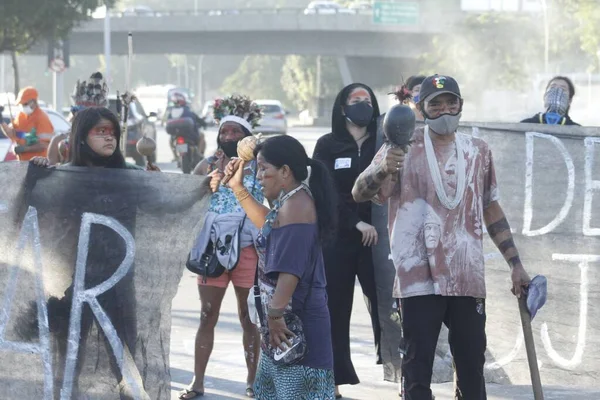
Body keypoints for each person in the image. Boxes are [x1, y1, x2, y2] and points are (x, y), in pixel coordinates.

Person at [352, 74, 531, 400]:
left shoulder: (478, 150)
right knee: (417, 375)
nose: (445, 110)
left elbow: (491, 208)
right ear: (423, 109)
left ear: (461, 106)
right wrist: (382, 169)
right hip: (417, 280)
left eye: (452, 103)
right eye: (436, 104)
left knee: (472, 371)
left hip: (467, 279)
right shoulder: (402, 146)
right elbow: (359, 192)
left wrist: (515, 264)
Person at [222, 134, 338, 399]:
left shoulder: (297, 206)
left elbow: (291, 272)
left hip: (294, 323)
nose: (259, 176)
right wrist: (237, 187)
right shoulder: (289, 202)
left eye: (264, 169)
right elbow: (268, 224)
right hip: (282, 322)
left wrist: (275, 317)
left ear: (285, 171)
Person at [180, 95, 264, 399]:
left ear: (247, 139)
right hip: (211, 251)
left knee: (249, 318)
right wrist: (209, 173)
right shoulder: (209, 164)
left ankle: (254, 383)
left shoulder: (258, 165)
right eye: (224, 132)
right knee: (207, 314)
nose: (228, 137)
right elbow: (189, 191)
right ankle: (197, 382)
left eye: (235, 133)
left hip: (248, 251)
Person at [313, 83, 385, 397]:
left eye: (367, 101)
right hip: (337, 240)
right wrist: (355, 222)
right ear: (343, 107)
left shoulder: (384, 142)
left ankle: (403, 373)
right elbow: (324, 191)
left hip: (379, 240)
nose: (362, 105)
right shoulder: (327, 144)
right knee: (334, 310)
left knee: (387, 308)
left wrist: (371, 223)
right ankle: (334, 382)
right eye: (355, 101)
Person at [0, 86, 54, 161]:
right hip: (22, 164)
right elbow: (11, 133)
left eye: (25, 104)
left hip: (38, 165)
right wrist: (1, 121)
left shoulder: (42, 118)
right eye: (21, 104)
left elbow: (44, 145)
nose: (22, 106)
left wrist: (25, 149)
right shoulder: (20, 116)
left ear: (34, 102)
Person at [167, 92, 207, 162]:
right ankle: (199, 153)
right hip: (191, 136)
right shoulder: (188, 111)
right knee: (202, 135)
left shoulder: (171, 112)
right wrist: (204, 124)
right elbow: (198, 120)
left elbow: (168, 122)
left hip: (176, 136)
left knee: (170, 141)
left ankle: (175, 156)